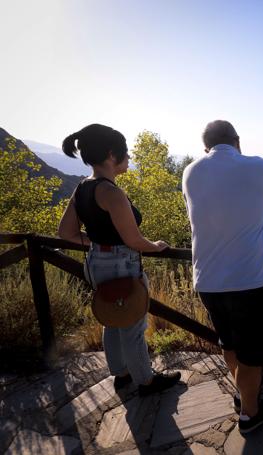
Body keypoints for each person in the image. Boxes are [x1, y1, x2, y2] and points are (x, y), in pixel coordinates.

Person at [57, 123, 181, 396]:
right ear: (112, 155)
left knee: (111, 319)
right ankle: (146, 381)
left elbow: (65, 232)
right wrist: (157, 246)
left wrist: (98, 243)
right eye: (126, 154)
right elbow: (134, 241)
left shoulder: (82, 189)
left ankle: (121, 373)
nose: (129, 159)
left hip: (96, 264)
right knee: (134, 324)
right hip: (122, 266)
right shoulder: (112, 193)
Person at [182, 120, 263, 434]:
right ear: (238, 140)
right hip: (250, 280)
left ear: (206, 148)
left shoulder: (190, 172)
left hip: (208, 280)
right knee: (253, 353)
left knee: (230, 342)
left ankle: (244, 396)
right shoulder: (258, 166)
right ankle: (250, 414)